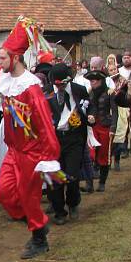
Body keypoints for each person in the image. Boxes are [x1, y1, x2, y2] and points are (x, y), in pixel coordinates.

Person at [0, 17, 60, 259]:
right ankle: (36, 221)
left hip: (32, 152)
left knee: (29, 195)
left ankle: (39, 236)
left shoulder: (31, 88)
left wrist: (49, 156)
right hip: (13, 150)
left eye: (3, 57)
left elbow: (46, 125)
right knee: (4, 192)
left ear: (15, 58)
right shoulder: (3, 78)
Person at [46, 63, 88, 224]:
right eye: (58, 84)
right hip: (54, 140)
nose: (61, 86)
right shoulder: (47, 93)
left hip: (74, 138)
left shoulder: (78, 90)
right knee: (55, 175)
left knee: (72, 174)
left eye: (64, 83)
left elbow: (89, 107)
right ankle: (59, 211)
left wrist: (89, 116)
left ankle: (73, 203)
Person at [85, 70, 116, 192]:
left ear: (100, 81)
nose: (92, 83)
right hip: (92, 127)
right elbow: (87, 108)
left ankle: (102, 182)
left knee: (104, 155)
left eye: (94, 81)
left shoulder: (109, 93)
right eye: (91, 81)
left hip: (105, 126)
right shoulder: (89, 93)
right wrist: (89, 116)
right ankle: (89, 184)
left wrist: (113, 128)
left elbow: (114, 112)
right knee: (90, 155)